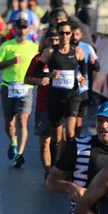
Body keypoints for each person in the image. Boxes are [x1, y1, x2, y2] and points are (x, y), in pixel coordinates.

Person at [36, 22, 87, 164]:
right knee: (56, 137)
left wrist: (83, 77)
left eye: (67, 33)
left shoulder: (77, 51)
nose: (64, 36)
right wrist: (49, 74)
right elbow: (38, 70)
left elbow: (84, 66)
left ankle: (70, 165)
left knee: (70, 133)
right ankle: (54, 167)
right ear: (57, 35)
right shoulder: (50, 52)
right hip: (55, 98)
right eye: (61, 33)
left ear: (71, 34)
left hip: (72, 96)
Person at [0, 18, 39, 168]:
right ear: (15, 29)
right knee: (10, 123)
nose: (22, 31)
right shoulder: (7, 46)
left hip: (26, 88)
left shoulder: (34, 47)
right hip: (8, 87)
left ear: (29, 30)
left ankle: (20, 153)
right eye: (19, 28)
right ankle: (13, 141)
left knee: (22, 120)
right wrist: (11, 61)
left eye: (25, 28)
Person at [24, 29, 59, 181]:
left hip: (61, 103)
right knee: (45, 141)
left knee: (59, 140)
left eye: (56, 40)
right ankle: (48, 172)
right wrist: (40, 81)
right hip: (44, 104)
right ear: (45, 41)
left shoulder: (64, 58)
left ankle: (58, 170)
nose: (53, 43)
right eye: (50, 40)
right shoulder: (38, 59)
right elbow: (27, 79)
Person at [72, 23, 100, 137]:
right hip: (68, 88)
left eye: (77, 34)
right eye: (72, 34)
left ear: (81, 35)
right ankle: (66, 143)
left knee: (78, 120)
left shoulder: (87, 48)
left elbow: (97, 68)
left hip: (83, 88)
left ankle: (75, 142)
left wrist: (93, 62)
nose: (74, 37)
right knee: (68, 119)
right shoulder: (64, 48)